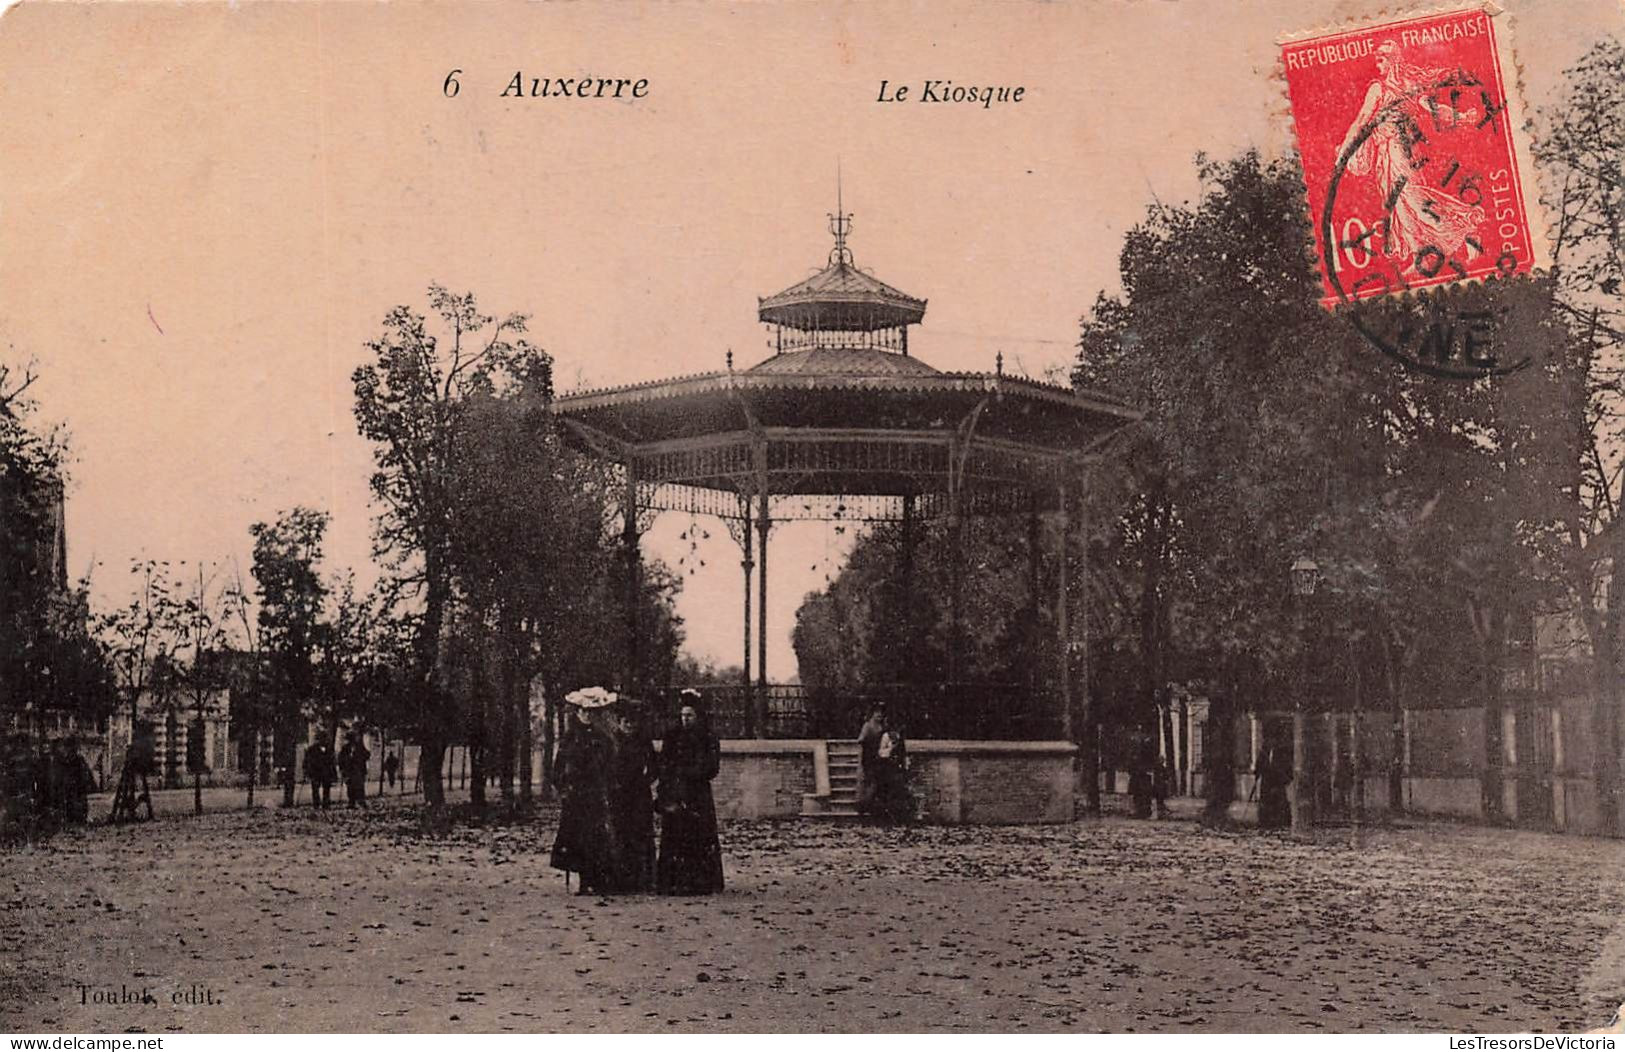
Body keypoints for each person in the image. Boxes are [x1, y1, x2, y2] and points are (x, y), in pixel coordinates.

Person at [1336, 40, 1485, 274]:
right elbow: (1361, 121)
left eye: (1382, 59)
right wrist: (1345, 149)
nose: (1378, 64)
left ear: (1393, 60)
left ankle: (1465, 231)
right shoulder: (1378, 89)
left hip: (1402, 151)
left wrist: (1462, 117)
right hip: (1385, 154)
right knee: (1399, 205)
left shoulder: (1407, 86)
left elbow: (1434, 110)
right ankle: (1421, 255)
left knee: (1413, 199)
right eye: (1377, 60)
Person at [551, 688, 617, 895]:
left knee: (596, 837)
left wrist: (606, 785)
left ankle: (596, 879)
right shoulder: (570, 737)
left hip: (595, 794)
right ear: (577, 712)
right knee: (576, 837)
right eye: (583, 711)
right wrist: (563, 787)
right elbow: (558, 767)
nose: (587, 715)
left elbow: (610, 767)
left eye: (591, 712)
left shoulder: (603, 739)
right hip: (575, 795)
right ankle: (583, 880)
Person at [656, 694, 724, 895]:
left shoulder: (708, 737)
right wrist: (667, 784)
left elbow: (712, 767)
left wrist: (690, 773)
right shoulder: (671, 736)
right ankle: (673, 881)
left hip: (697, 794)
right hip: (675, 791)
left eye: (690, 715)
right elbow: (664, 763)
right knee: (674, 835)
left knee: (698, 836)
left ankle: (700, 882)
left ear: (698, 716)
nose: (685, 719)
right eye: (683, 715)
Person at [606, 702, 657, 893]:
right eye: (625, 722)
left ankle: (643, 879)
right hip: (618, 794)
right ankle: (620, 880)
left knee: (641, 834)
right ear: (619, 722)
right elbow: (604, 767)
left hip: (639, 794)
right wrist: (613, 783)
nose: (629, 725)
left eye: (632, 722)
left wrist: (645, 781)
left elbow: (654, 767)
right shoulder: (611, 741)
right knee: (620, 834)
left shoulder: (643, 741)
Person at [871, 712, 913, 825]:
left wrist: (905, 764)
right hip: (887, 767)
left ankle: (899, 817)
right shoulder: (886, 736)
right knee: (886, 792)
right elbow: (880, 752)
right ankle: (885, 818)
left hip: (898, 768)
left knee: (899, 792)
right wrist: (891, 750)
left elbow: (903, 753)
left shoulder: (900, 737)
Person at [856, 704, 887, 818]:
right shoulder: (868, 726)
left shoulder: (883, 726)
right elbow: (861, 740)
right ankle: (863, 807)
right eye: (877, 712)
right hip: (869, 757)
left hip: (880, 758)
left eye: (881, 713)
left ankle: (875, 808)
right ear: (872, 714)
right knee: (870, 783)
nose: (879, 715)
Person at [338, 733, 371, 808]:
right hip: (349, 770)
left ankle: (361, 801)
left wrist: (361, 756)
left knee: (360, 786)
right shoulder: (345, 748)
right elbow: (341, 759)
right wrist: (342, 769)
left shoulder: (360, 747)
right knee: (350, 787)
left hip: (359, 770)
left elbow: (367, 755)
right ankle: (351, 802)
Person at [303, 740, 335, 809]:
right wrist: (306, 770)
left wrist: (333, 772)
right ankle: (316, 804)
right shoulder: (312, 749)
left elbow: (332, 761)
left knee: (326, 788)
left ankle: (326, 804)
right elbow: (307, 760)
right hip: (316, 772)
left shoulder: (329, 749)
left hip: (326, 772)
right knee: (315, 788)